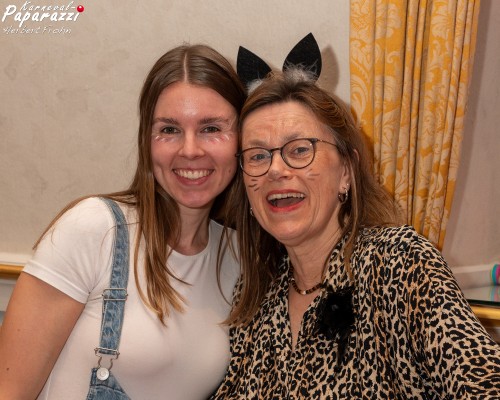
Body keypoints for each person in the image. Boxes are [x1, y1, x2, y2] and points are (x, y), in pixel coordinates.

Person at [212, 69, 500, 399]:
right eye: (258, 156)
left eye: (300, 149)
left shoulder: (400, 264)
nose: (276, 170)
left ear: (346, 171)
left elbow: (485, 383)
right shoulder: (254, 291)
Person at [0, 44, 245, 399]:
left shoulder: (239, 258)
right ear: (147, 140)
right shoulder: (95, 229)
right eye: (169, 129)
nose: (190, 149)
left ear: (242, 140)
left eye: (210, 128)